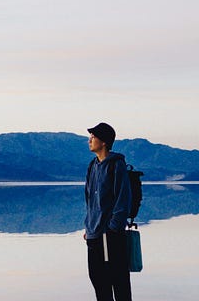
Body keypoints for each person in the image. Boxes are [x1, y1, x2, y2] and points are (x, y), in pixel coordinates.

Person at [84, 122, 133, 300]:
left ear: (104, 141)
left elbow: (123, 198)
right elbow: (90, 201)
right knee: (98, 282)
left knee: (119, 283)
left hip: (111, 235)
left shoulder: (116, 165)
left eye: (93, 137)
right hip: (93, 235)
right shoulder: (92, 166)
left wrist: (113, 228)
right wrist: (88, 226)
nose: (89, 140)